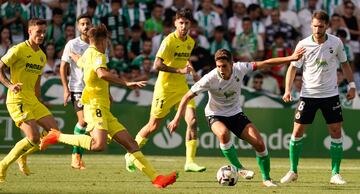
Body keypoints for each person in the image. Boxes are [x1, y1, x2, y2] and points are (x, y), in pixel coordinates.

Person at [40, 24, 177, 189]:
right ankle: (57, 136)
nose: (107, 44)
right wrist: (125, 82)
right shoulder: (99, 55)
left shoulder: (87, 53)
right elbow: (102, 73)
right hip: (94, 106)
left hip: (102, 107)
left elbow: (80, 62)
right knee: (99, 145)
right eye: (107, 41)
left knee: (131, 144)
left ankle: (157, 179)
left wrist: (72, 54)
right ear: (102, 40)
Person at [167, 48, 305, 187]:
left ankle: (266, 179)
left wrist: (290, 58)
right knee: (223, 133)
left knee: (259, 143)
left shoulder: (240, 68)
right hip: (215, 114)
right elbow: (186, 97)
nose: (221, 69)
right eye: (218, 66)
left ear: (232, 64)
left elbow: (266, 63)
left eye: (224, 66)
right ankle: (239, 168)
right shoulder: (210, 78)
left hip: (235, 113)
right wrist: (176, 119)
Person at [125, 8, 206, 173]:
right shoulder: (168, 41)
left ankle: (190, 162)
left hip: (182, 88)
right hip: (165, 88)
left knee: (193, 121)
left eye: (187, 23)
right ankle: (130, 154)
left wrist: (194, 72)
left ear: (191, 24)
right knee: (153, 126)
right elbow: (157, 65)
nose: (183, 26)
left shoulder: (190, 41)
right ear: (175, 23)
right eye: (181, 23)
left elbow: (185, 59)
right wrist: (178, 71)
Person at [280, 10, 356, 185]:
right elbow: (292, 67)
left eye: (320, 26)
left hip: (330, 95)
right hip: (308, 95)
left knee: (336, 131)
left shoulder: (336, 43)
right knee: (297, 132)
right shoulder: (303, 44)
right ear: (311, 25)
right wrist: (287, 90)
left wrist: (352, 86)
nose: (317, 29)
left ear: (326, 26)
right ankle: (293, 170)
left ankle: (335, 173)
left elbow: (345, 64)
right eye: (314, 26)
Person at [0, 18, 61, 182]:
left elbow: (36, 83)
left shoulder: (41, 56)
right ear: (29, 31)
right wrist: (10, 85)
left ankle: (23, 155)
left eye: (43, 32)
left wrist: (40, 100)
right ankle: (3, 165)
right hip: (17, 99)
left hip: (32, 100)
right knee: (34, 138)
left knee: (54, 133)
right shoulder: (18, 50)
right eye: (38, 32)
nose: (41, 35)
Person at [60, 14, 92, 170]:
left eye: (87, 24)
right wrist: (66, 89)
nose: (85, 26)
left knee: (87, 124)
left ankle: (78, 157)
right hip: (78, 88)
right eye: (82, 24)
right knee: (84, 121)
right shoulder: (72, 44)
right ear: (78, 27)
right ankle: (75, 156)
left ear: (91, 25)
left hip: (93, 89)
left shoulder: (95, 45)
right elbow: (63, 67)